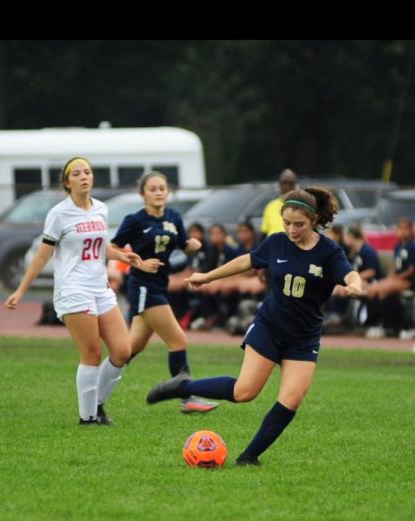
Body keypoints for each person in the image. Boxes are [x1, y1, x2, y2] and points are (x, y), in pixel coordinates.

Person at [145, 187, 364, 465]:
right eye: (287, 223)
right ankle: (182, 387)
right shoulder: (276, 243)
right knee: (244, 392)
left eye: (299, 224)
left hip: (304, 338)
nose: (292, 229)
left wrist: (355, 286)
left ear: (314, 219)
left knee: (292, 399)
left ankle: (248, 457)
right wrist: (209, 276)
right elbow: (245, 261)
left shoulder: (329, 251)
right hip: (269, 329)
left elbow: (350, 274)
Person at [5, 156, 142, 425]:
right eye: (76, 173)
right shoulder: (59, 213)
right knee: (91, 353)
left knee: (123, 351)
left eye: (87, 172)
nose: (84, 177)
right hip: (73, 289)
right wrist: (21, 289)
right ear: (67, 182)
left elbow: (99, 246)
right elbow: (43, 255)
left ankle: (97, 404)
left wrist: (122, 256)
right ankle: (88, 417)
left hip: (100, 288)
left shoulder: (100, 209)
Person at [110, 171, 218, 414]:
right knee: (178, 340)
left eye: (162, 188)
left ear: (167, 192)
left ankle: (97, 383)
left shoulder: (173, 217)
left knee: (130, 348)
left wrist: (192, 246)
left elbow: (183, 245)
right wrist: (139, 263)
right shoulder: (135, 220)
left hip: (159, 285)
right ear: (143, 194)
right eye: (153, 189)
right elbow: (113, 248)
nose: (158, 192)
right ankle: (187, 397)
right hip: (143, 287)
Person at [363, 218, 415, 337]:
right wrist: (391, 275)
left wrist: (397, 277)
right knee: (373, 289)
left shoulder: (413, 247)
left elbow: (412, 270)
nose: (402, 232)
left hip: (408, 280)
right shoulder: (398, 247)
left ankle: (393, 325)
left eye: (405, 229)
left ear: (411, 231)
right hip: (397, 278)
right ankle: (375, 323)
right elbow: (396, 266)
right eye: (399, 229)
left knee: (384, 290)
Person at [260, 169, 298, 238]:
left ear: (295, 185)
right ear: (280, 185)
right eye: (284, 183)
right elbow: (264, 233)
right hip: (273, 246)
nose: (287, 186)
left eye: (290, 183)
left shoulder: (301, 206)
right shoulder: (270, 206)